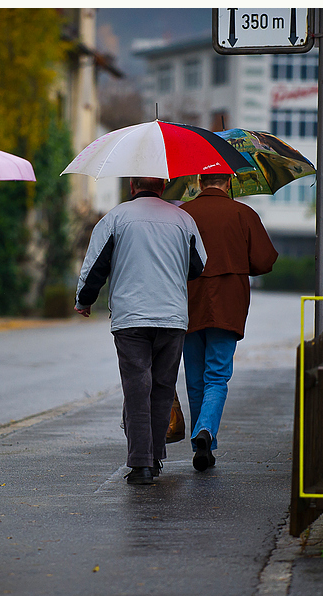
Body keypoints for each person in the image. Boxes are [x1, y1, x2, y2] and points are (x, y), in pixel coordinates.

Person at [75, 177, 207, 485]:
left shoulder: (116, 218)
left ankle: (140, 464)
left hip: (131, 317)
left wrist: (85, 299)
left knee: (137, 388)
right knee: (162, 388)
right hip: (172, 318)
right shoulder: (184, 219)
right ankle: (155, 457)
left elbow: (95, 265)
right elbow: (199, 266)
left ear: (133, 186)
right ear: (162, 186)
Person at [180, 173, 278, 471]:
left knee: (195, 378)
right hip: (227, 305)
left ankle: (202, 440)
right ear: (229, 182)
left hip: (188, 303)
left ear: (199, 180)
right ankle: (204, 432)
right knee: (217, 377)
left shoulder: (183, 215)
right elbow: (264, 261)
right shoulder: (243, 213)